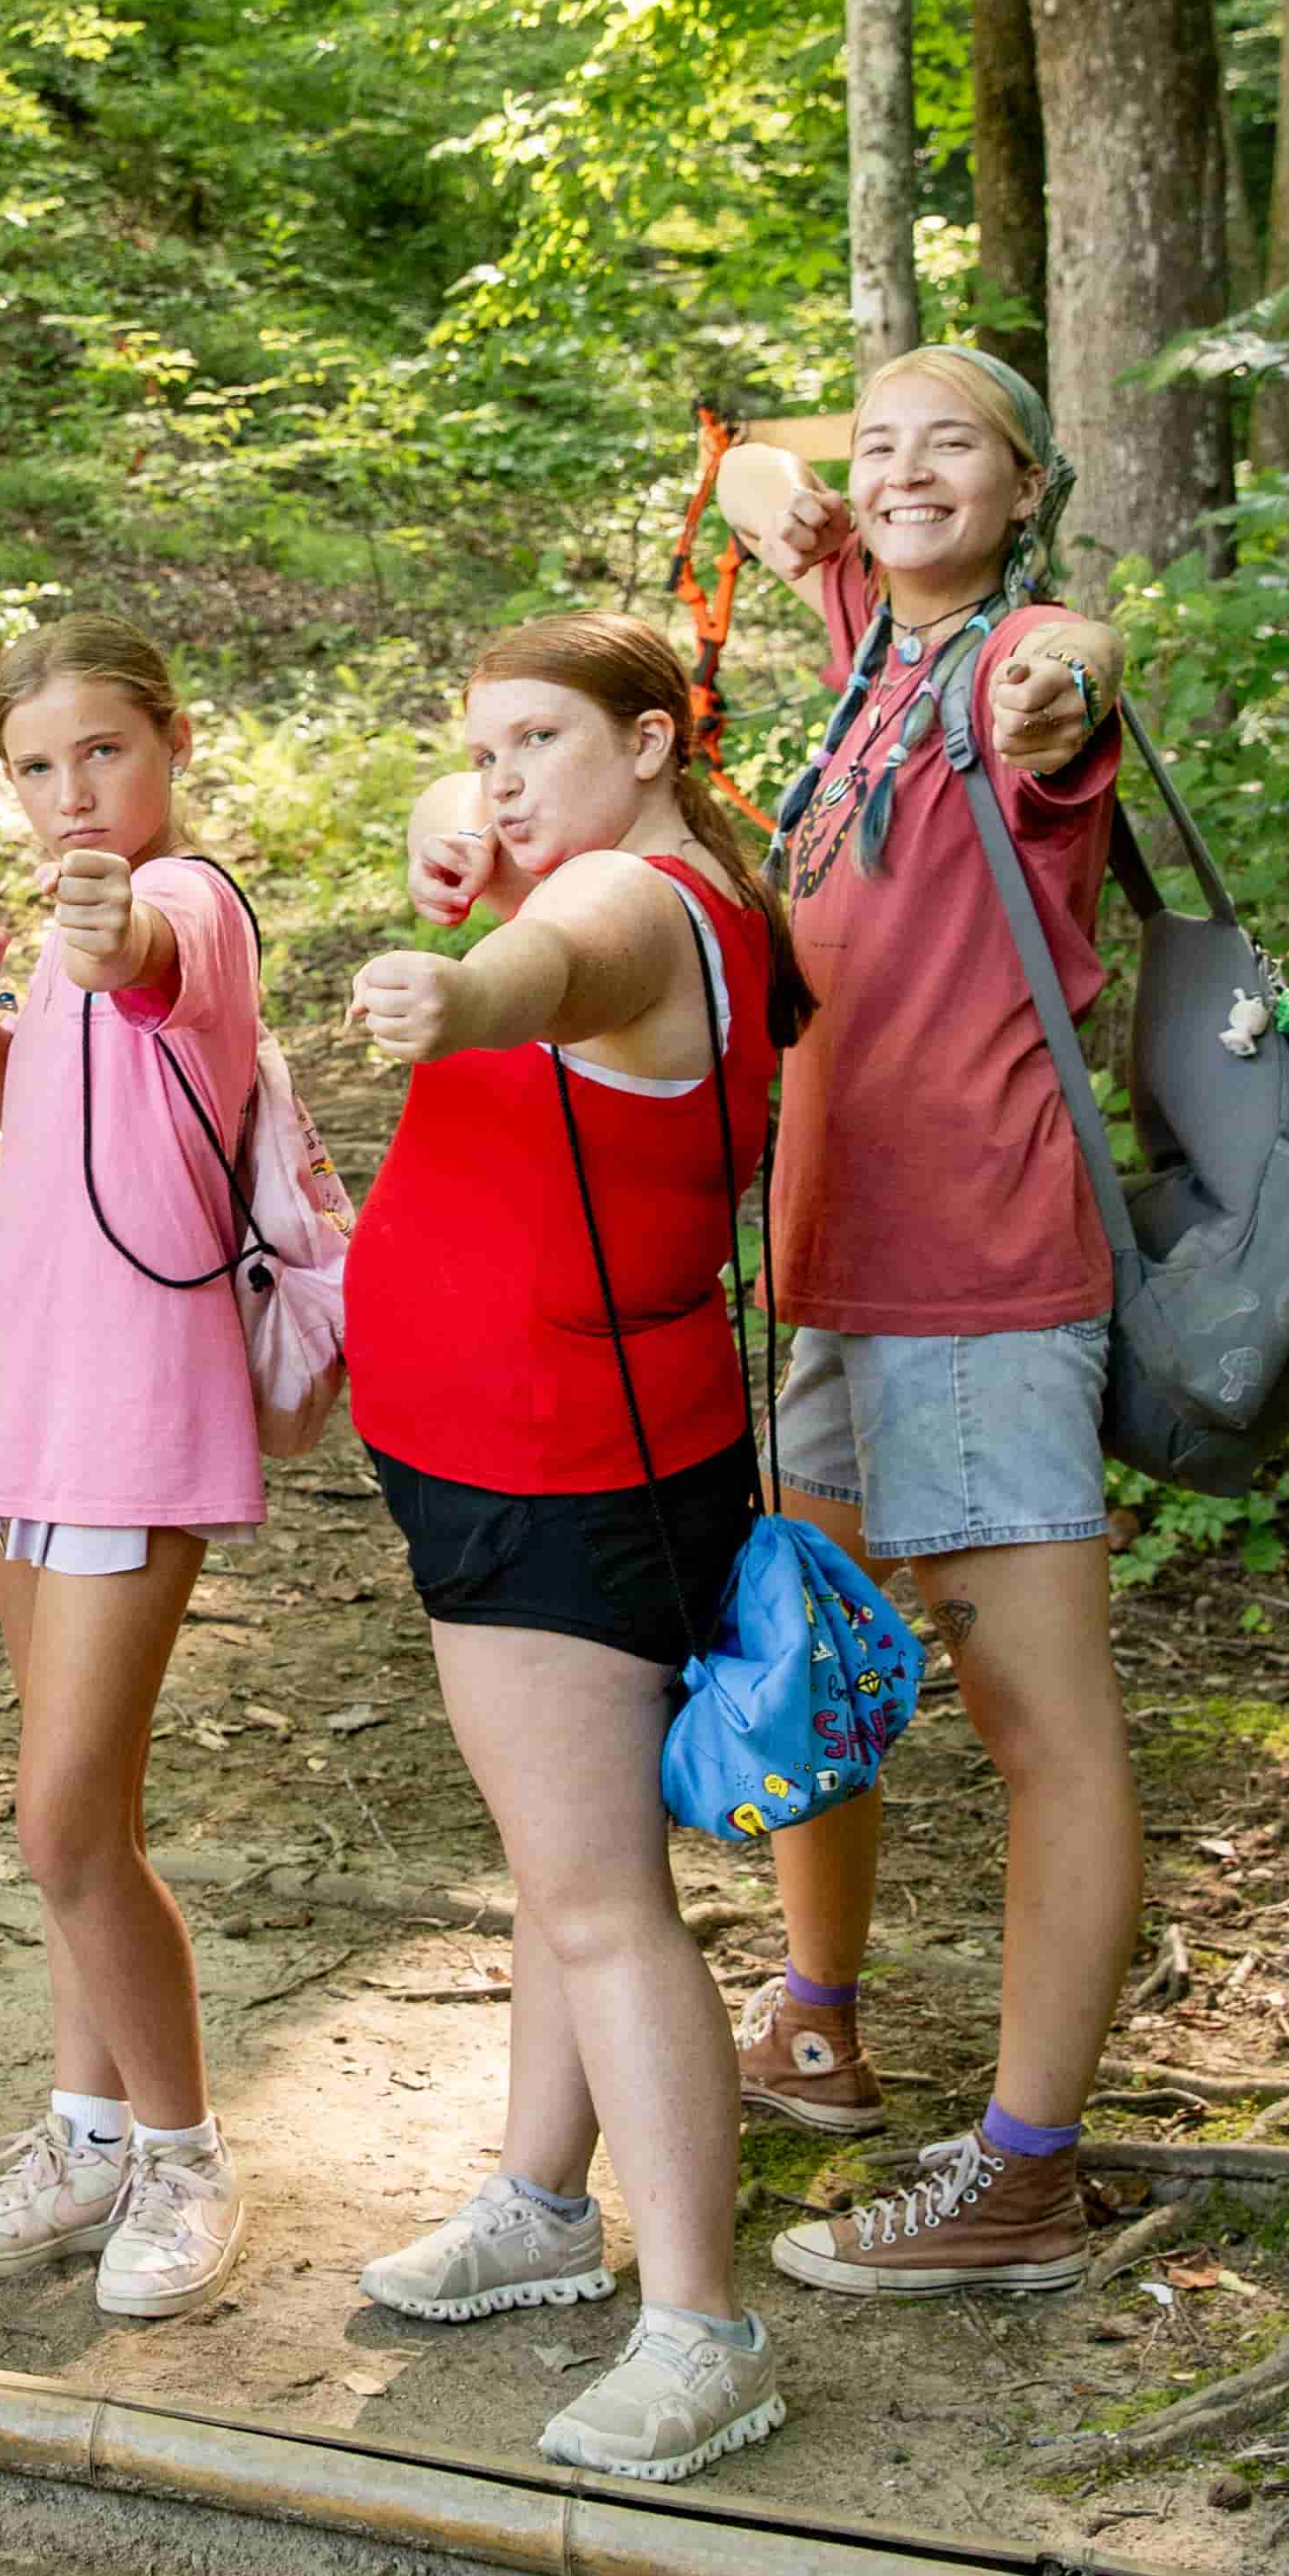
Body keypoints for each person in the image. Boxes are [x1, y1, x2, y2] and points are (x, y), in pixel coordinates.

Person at [339, 615, 810, 2479]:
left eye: (539, 740)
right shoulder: (645, 865)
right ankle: (543, 2204)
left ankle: (706, 2325)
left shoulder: (634, 911)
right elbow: (519, 884)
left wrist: (457, 988)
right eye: (482, 747)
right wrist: (467, 843)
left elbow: (552, 969)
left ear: (651, 739)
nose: (500, 778)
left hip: (562, 1471)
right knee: (568, 1866)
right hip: (519, 1452)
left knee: (606, 1902)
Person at [713, 345, 1136, 2301]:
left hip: (975, 1271)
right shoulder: (871, 649)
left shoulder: (1009, 656)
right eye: (876, 450)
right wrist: (782, 489)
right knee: (823, 1654)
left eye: (951, 446)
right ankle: (818, 2012)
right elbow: (739, 472)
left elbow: (1068, 693)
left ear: (1029, 485)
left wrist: (1066, 683)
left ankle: (1026, 2177)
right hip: (835, 1261)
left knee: (1039, 1722)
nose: (899, 474)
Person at [0, 619, 262, 2319]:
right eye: (40, 767)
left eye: (104, 753)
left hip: (136, 1415)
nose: (73, 793)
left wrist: (98, 927)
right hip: (28, 1403)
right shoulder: (59, 937)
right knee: (86, 1817)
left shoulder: (183, 905)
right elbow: (43, 1109)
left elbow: (153, 965)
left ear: (172, 742)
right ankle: (84, 2132)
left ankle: (183, 2157)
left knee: (59, 1823)